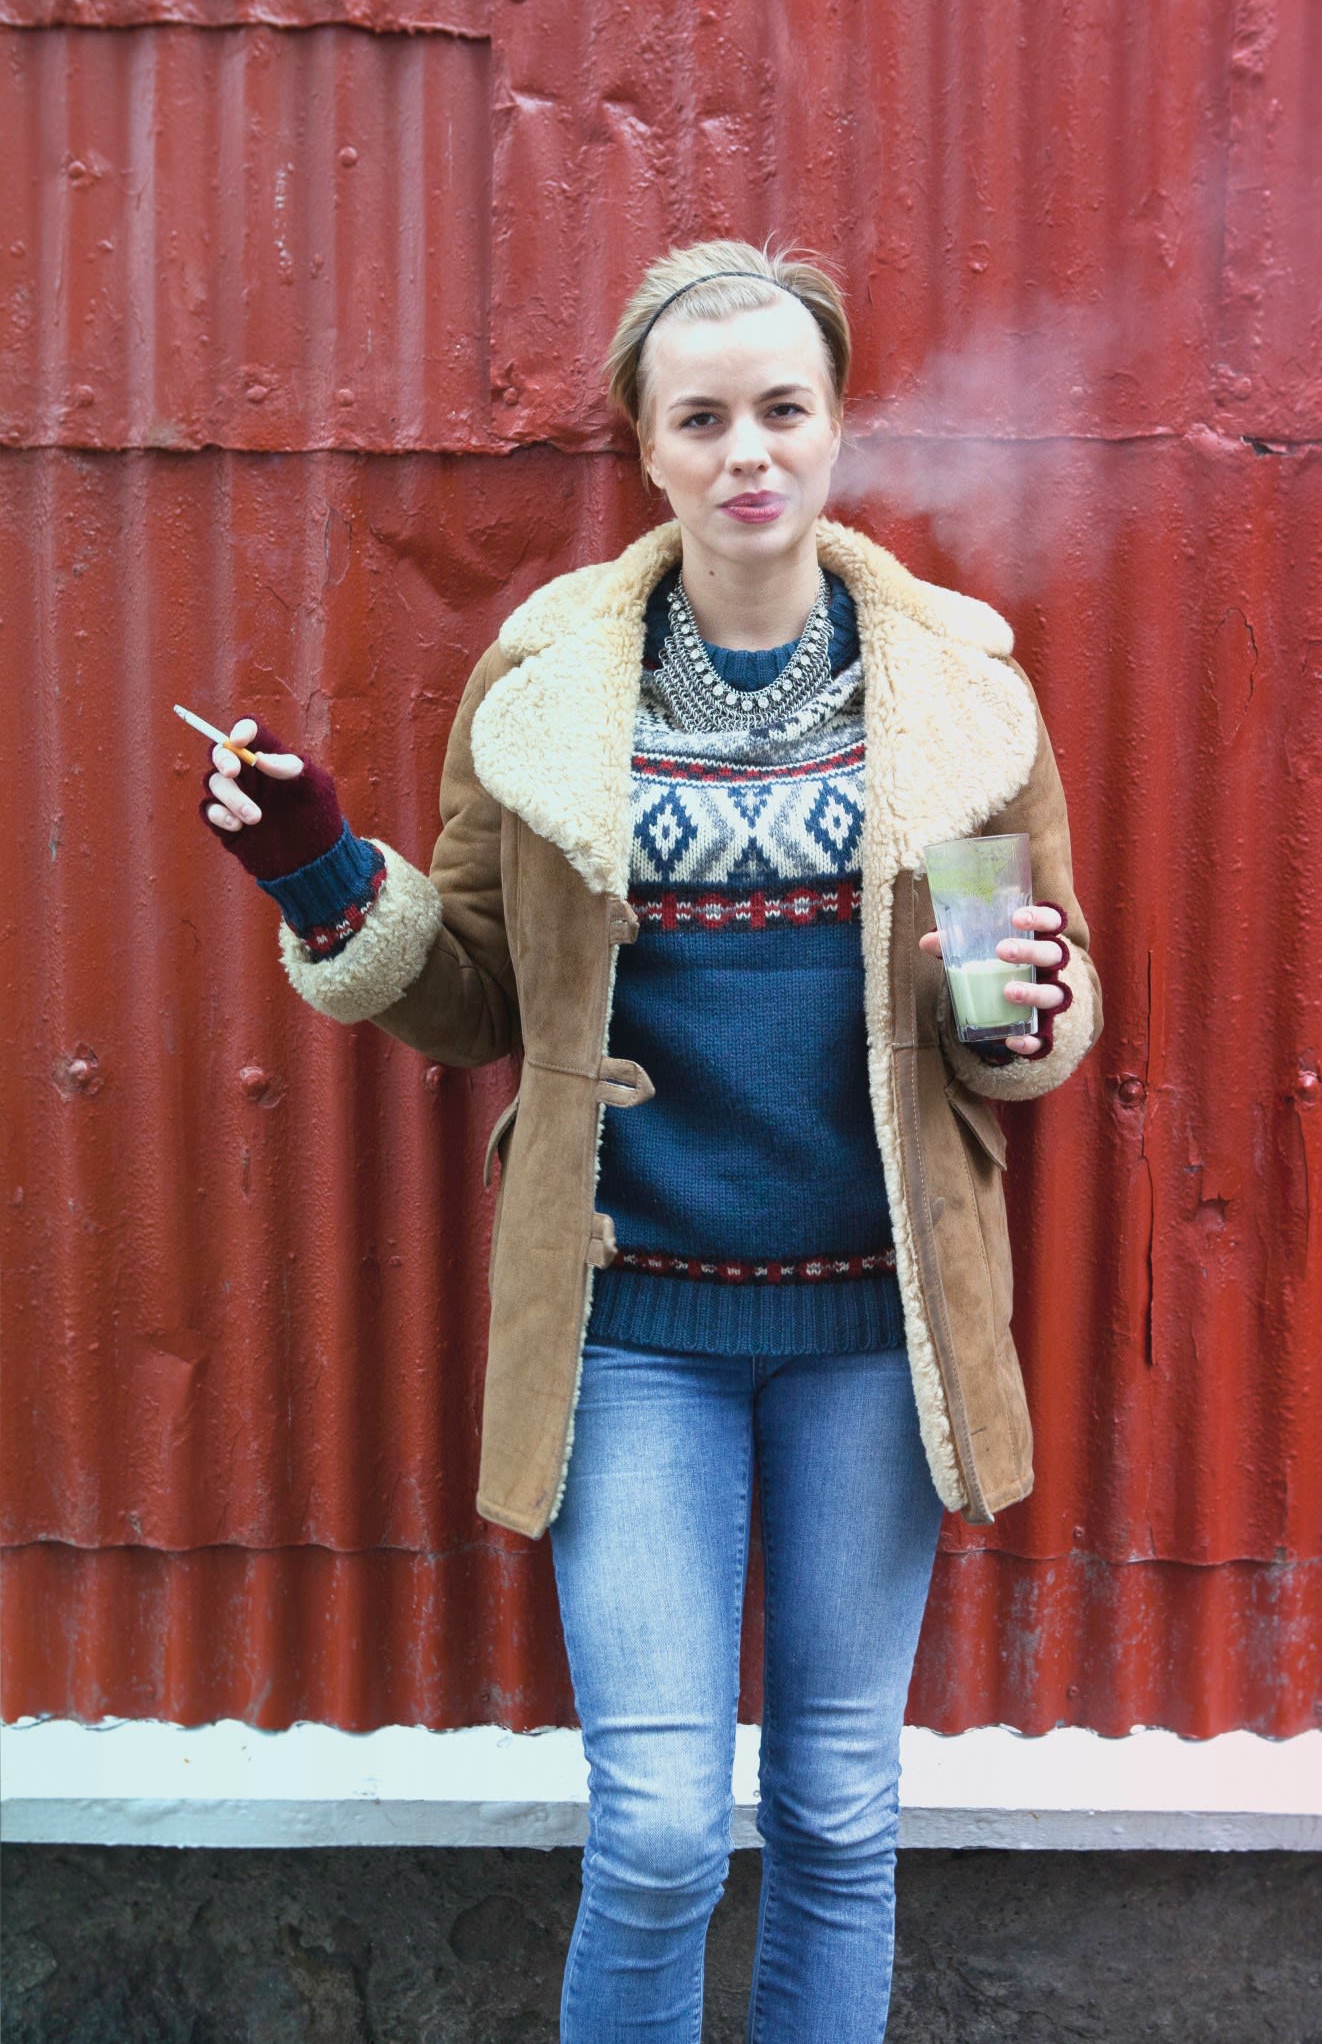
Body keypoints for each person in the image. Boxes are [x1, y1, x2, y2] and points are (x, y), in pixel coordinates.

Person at [197, 238, 1102, 2042]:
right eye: (705, 419)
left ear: (836, 427)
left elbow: (1025, 1021)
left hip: (875, 1335)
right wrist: (315, 871)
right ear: (648, 445)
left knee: (841, 1816)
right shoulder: (541, 692)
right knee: (663, 1832)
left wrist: (1016, 1001)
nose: (748, 449)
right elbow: (469, 999)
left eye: (784, 408)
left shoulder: (958, 699)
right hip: (633, 1341)